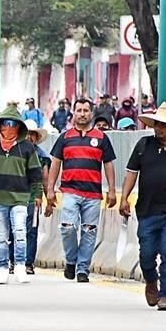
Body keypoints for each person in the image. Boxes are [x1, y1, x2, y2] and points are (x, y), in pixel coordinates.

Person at [44, 97, 117, 282]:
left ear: (91, 113)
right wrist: (50, 189)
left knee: (89, 231)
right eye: (79, 110)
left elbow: (108, 164)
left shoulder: (101, 138)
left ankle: (83, 269)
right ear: (73, 113)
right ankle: (71, 261)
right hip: (70, 191)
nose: (83, 114)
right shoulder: (65, 138)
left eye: (86, 110)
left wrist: (111, 190)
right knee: (67, 227)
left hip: (93, 193)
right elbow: (55, 164)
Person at [0, 107, 44, 284]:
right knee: (1, 236)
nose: (9, 127)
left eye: (13, 124)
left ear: (19, 127)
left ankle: (20, 266)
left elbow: (36, 174)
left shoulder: (27, 148)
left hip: (20, 197)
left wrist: (38, 195)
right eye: (5, 124)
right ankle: (2, 267)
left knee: (20, 231)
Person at [120, 102, 166, 310]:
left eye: (163, 125)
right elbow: (132, 173)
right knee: (147, 254)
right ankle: (151, 280)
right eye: (156, 124)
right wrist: (124, 198)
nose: (158, 129)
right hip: (147, 210)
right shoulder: (143, 145)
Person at [8, 120, 51, 276]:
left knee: (31, 231)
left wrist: (48, 200)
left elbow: (45, 179)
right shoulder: (12, 152)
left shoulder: (42, 156)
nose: (29, 137)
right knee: (15, 229)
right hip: (15, 197)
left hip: (33, 198)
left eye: (32, 134)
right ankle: (14, 261)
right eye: (27, 134)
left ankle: (28, 263)